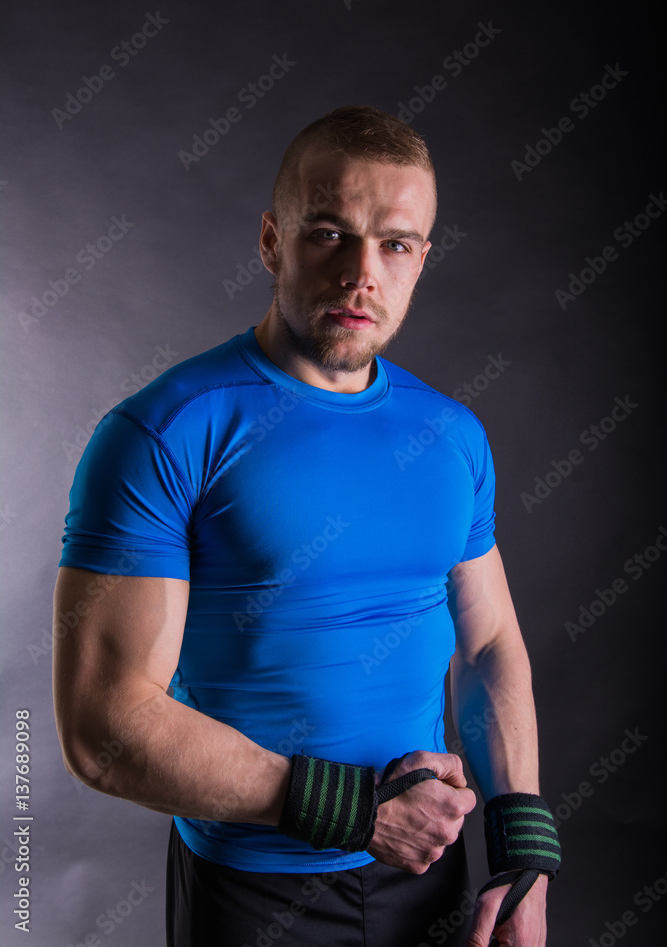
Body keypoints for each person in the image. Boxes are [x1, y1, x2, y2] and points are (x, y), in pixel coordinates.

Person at [53, 105, 559, 947]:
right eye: (329, 234)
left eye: (394, 243)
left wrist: (522, 859)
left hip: (429, 876)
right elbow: (104, 728)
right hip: (255, 892)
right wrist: (354, 813)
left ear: (422, 259)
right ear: (270, 241)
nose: (362, 272)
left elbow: (488, 645)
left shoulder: (451, 436)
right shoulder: (167, 430)